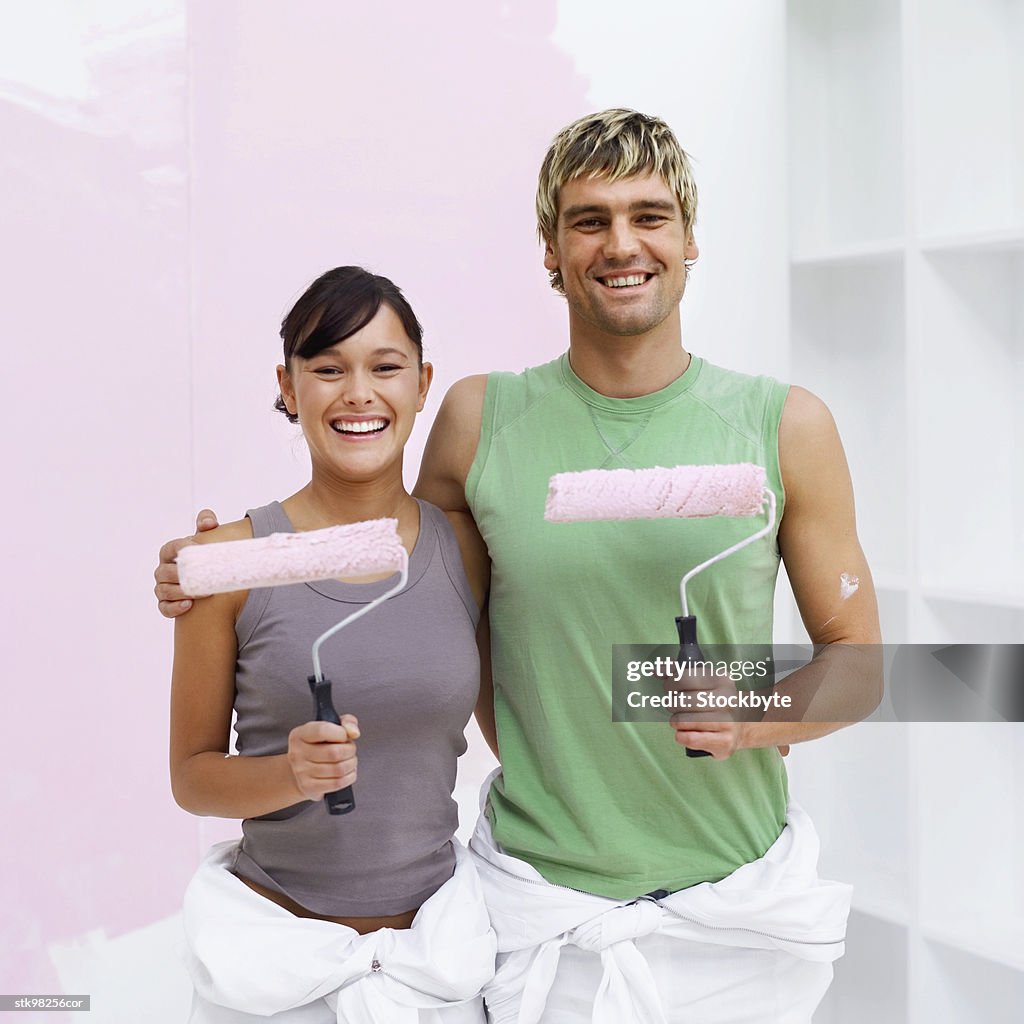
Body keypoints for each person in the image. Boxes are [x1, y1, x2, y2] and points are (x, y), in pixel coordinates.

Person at [157, 110, 882, 1023]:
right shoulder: (476, 421)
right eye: (590, 220)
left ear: (690, 237)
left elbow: (861, 662)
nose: (623, 243)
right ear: (551, 249)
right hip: (530, 903)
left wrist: (754, 706)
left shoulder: (786, 425)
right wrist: (224, 563)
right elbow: (399, 572)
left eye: (650, 215)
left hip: (739, 902)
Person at [168, 266, 495, 1024]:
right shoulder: (227, 561)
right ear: (287, 387)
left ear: (423, 383)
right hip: (274, 972)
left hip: (437, 967)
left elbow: (519, 721)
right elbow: (191, 777)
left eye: (385, 367)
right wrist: (290, 774)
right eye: (327, 369)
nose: (358, 393)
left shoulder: (467, 550)